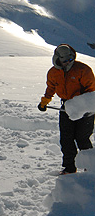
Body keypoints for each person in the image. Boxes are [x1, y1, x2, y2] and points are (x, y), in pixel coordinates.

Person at [38, 44, 95, 175]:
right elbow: (51, 88)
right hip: (66, 107)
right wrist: (45, 101)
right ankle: (69, 168)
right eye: (65, 61)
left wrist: (88, 107)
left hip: (84, 107)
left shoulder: (83, 70)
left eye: (70, 60)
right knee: (66, 139)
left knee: (82, 138)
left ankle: (90, 167)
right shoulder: (53, 73)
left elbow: (92, 91)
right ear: (57, 59)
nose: (68, 62)